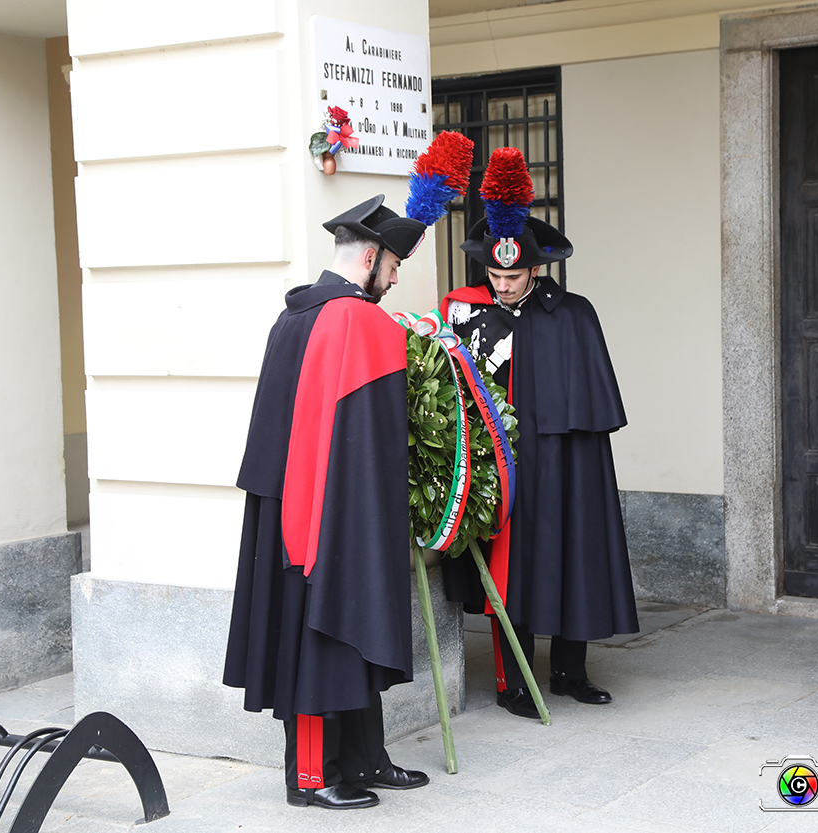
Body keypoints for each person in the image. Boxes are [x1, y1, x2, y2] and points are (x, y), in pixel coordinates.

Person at [223, 196, 431, 810]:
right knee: (326, 633)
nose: (394, 279)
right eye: (392, 266)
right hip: (330, 514)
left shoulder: (292, 317)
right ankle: (313, 776)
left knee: (341, 630)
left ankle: (364, 757)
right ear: (369, 257)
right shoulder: (357, 322)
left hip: (297, 505)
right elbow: (379, 441)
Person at [439, 148, 639, 720]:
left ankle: (570, 672)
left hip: (567, 462)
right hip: (506, 466)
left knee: (575, 559)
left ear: (536, 270)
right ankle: (515, 681)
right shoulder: (468, 314)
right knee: (514, 569)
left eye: (514, 275)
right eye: (495, 275)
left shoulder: (573, 313)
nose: (502, 285)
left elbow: (594, 400)